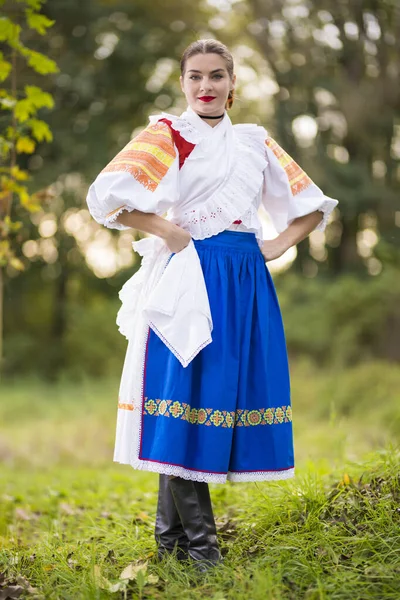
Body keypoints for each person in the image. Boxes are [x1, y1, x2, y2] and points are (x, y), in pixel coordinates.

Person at [86, 39, 338, 572]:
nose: (206, 86)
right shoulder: (168, 135)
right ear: (182, 83)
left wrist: (273, 245)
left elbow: (312, 208)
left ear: (233, 84)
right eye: (196, 76)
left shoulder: (254, 142)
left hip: (244, 281)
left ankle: (170, 544)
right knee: (182, 399)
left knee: (214, 397)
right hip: (191, 277)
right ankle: (205, 555)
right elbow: (107, 198)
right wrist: (168, 231)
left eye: (217, 76)